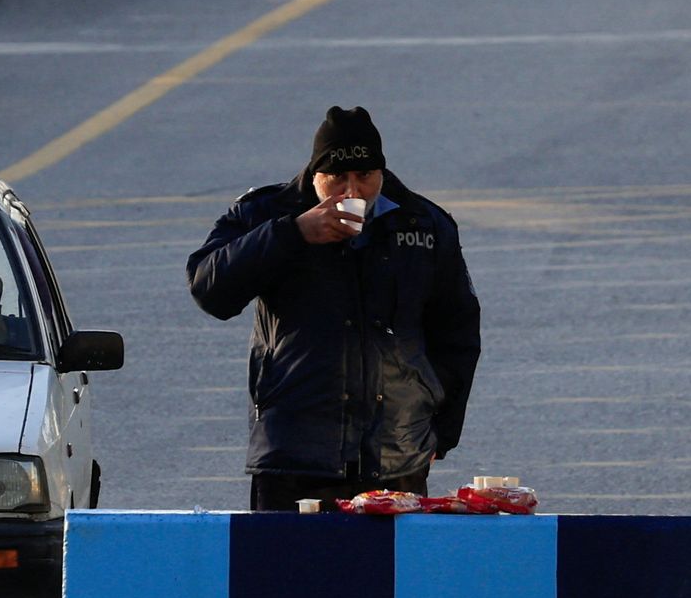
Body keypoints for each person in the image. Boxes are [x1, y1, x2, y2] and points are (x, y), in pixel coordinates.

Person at [187, 104, 482, 512]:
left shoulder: (424, 224)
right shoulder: (269, 213)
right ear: (314, 175)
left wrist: (440, 433)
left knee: (389, 575)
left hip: (396, 454)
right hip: (295, 451)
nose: (352, 191)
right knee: (291, 573)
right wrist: (292, 234)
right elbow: (209, 289)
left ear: (381, 171)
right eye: (336, 178)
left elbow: (457, 332)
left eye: (364, 176)